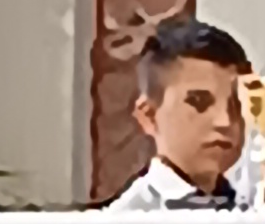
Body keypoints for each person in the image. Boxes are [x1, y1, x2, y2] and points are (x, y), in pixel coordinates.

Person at [106, 18, 254, 213]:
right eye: (199, 102)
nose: (225, 121)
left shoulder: (255, 210)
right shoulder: (127, 221)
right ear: (149, 115)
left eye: (237, 103)